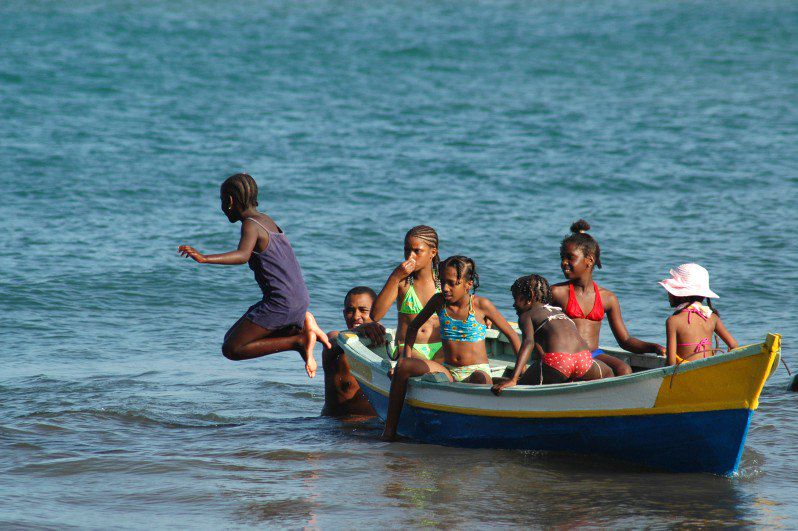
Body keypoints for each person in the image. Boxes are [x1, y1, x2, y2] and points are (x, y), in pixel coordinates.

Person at [178, 173, 330, 377]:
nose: (222, 208)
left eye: (222, 201)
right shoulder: (266, 220)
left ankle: (299, 340)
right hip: (298, 300)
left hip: (280, 303)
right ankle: (302, 324)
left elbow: (242, 255)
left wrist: (205, 258)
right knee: (231, 337)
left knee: (231, 349)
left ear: (230, 201)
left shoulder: (250, 224)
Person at [381, 256, 521, 440]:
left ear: (468, 284)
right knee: (403, 367)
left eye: (452, 283)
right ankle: (389, 431)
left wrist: (517, 376)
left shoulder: (481, 305)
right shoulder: (439, 302)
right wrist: (405, 357)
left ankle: (476, 434)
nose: (445, 288)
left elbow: (513, 336)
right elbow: (413, 327)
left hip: (476, 371)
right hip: (448, 370)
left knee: (479, 379)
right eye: (442, 282)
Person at [550, 220, 664, 376]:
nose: (564, 263)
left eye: (570, 258)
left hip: (594, 354)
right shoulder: (557, 293)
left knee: (623, 369)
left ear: (589, 260)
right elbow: (538, 328)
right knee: (601, 371)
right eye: (562, 258)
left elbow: (625, 340)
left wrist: (653, 347)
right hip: (568, 355)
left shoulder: (608, 298)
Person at [492, 275, 611, 394]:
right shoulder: (558, 311)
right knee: (608, 372)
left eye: (516, 298)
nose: (514, 304)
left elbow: (528, 342)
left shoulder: (526, 316)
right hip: (584, 359)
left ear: (530, 297)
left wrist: (513, 379)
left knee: (521, 385)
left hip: (559, 362)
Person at [371, 226, 443, 361]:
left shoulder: (444, 282)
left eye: (417, 251)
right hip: (408, 349)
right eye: (407, 250)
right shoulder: (402, 282)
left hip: (441, 349)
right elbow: (376, 315)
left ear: (432, 252)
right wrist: (395, 276)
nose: (410, 256)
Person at [322, 286, 383, 418]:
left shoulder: (387, 343)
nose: (356, 316)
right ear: (344, 314)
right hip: (337, 426)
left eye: (363, 310)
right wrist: (358, 331)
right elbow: (332, 343)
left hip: (373, 427)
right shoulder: (335, 339)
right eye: (350, 311)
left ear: (377, 312)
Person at [660, 263, 737, 366]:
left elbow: (671, 363)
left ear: (681, 295)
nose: (668, 293)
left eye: (670, 290)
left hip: (685, 376)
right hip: (709, 371)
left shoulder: (673, 321)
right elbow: (734, 346)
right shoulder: (712, 317)